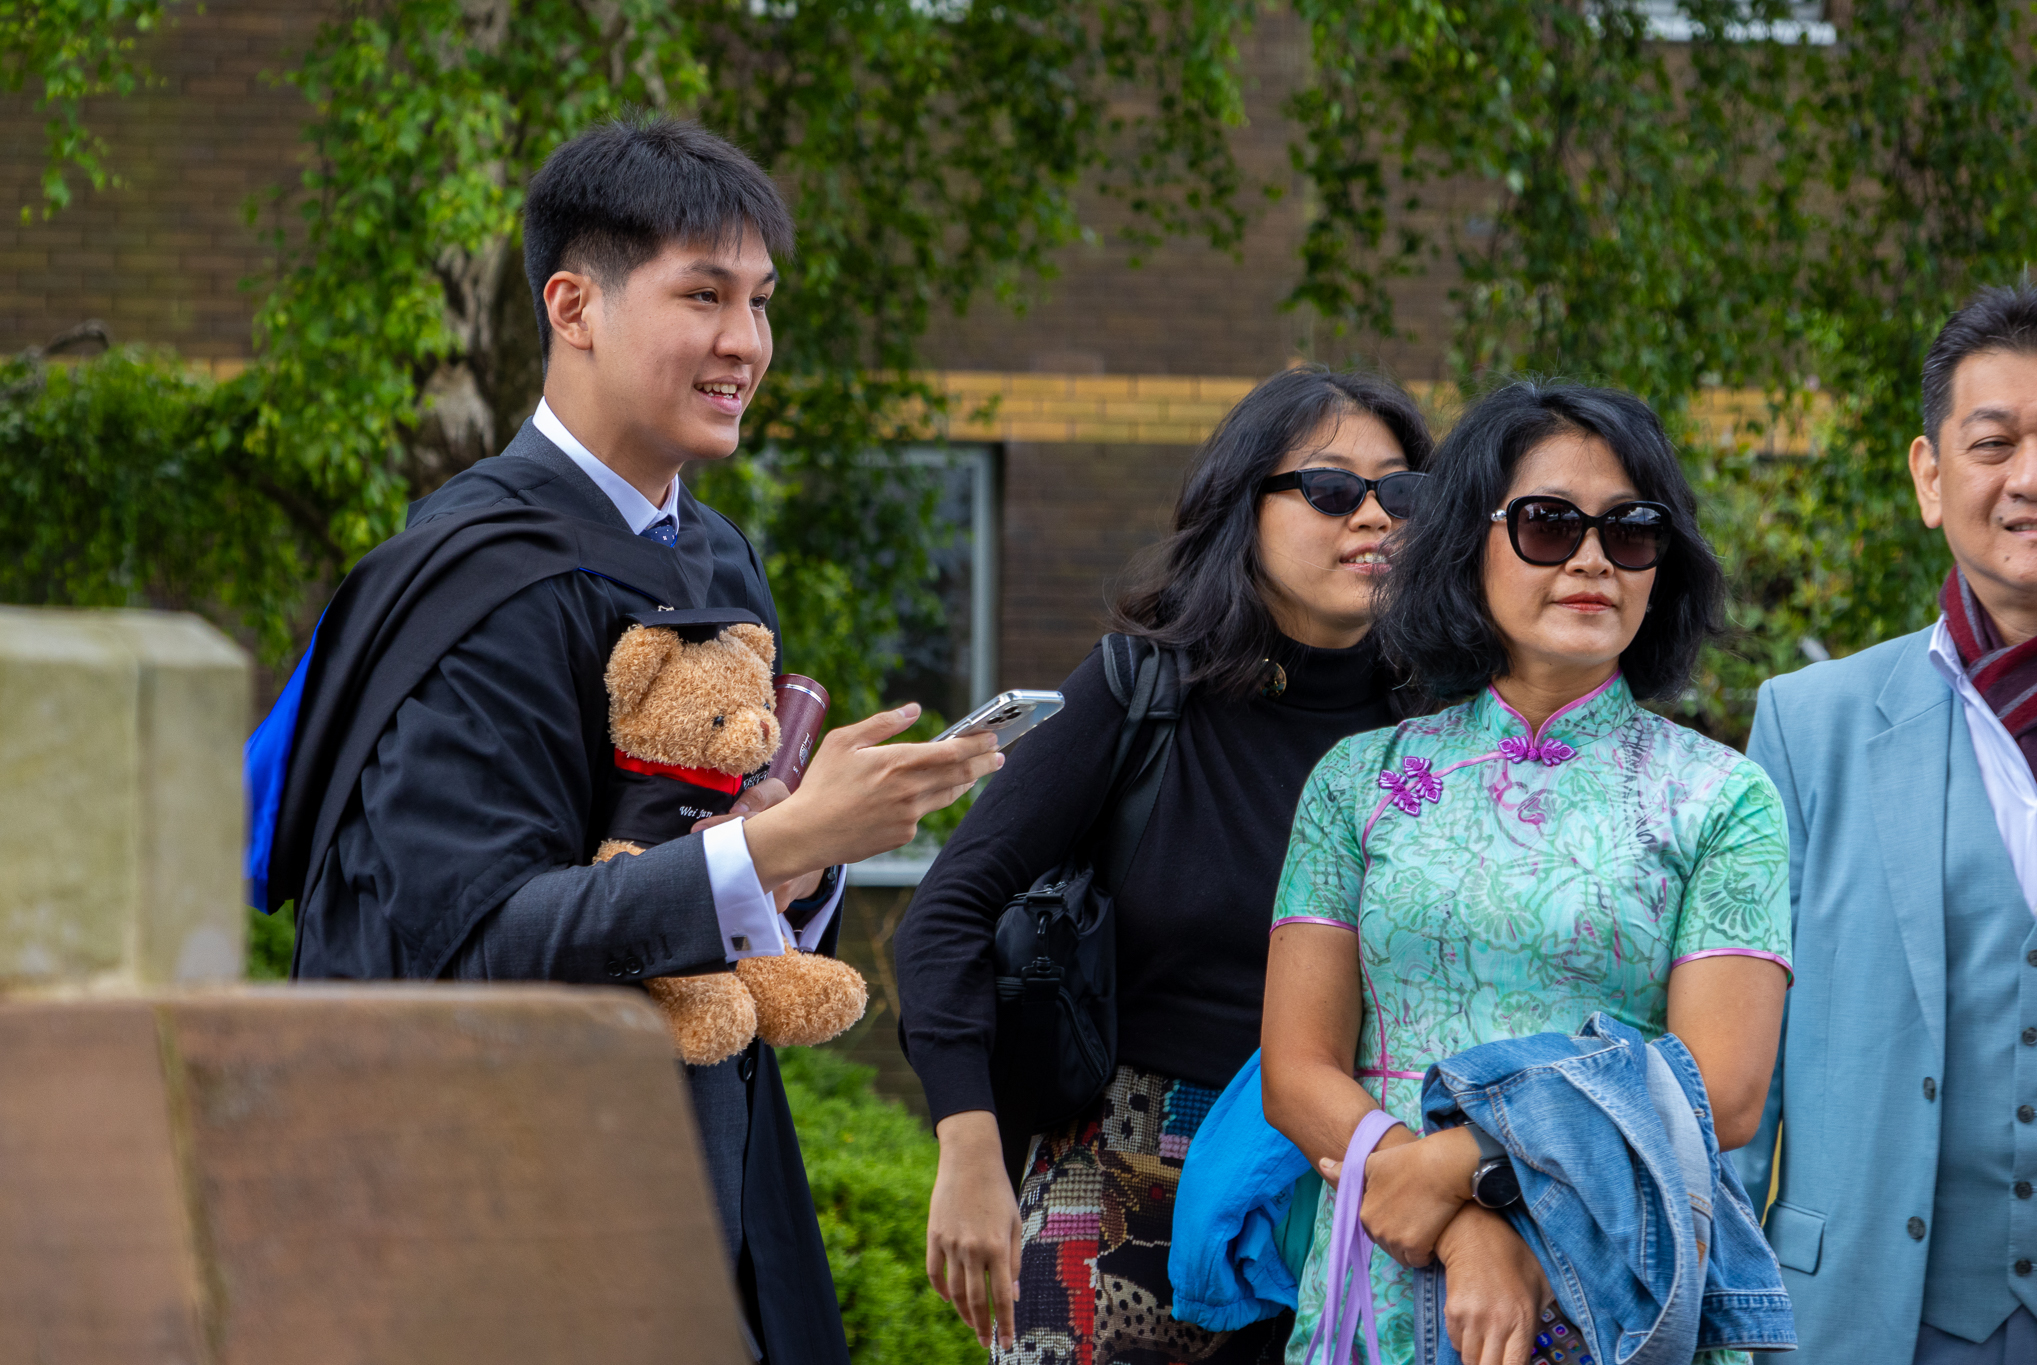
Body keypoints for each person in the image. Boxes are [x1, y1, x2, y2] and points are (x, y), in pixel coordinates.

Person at [255, 117, 1002, 1363]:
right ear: (572, 305)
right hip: (504, 1207)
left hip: (695, 1176)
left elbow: (690, 870)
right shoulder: (472, 579)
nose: (745, 345)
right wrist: (770, 849)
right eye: (702, 295)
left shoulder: (710, 555)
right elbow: (472, 942)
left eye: (760, 303)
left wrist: (799, 863)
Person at [896, 367, 1434, 1361]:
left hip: (1346, 1186)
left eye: (1398, 491)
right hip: (1126, 1179)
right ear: (1243, 510)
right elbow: (947, 911)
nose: (1371, 516)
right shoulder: (1138, 689)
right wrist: (966, 1144)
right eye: (1329, 489)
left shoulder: (1437, 728)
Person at [1261, 380, 1791, 1365]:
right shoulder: (1357, 784)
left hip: (1617, 1285)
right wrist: (1461, 1228)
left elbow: (1720, 1090)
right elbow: (1297, 1074)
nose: (1591, 558)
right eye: (1548, 524)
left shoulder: (1721, 798)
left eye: (1630, 530)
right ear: (1467, 543)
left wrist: (1470, 1165)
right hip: (1387, 1271)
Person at [1729, 282, 2037, 1365]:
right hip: (1863, 1319)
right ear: (1929, 476)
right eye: (1993, 442)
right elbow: (1743, 1071)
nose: (2031, 480)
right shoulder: (1804, 726)